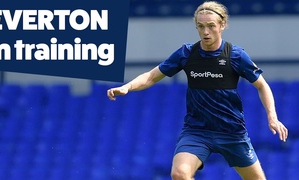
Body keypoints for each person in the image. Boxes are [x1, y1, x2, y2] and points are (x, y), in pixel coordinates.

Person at [107, 1, 288, 180]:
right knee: (179, 174)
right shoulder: (186, 53)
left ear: (222, 25)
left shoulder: (236, 55)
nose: (205, 32)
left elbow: (262, 85)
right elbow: (151, 77)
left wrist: (272, 117)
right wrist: (127, 87)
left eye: (211, 26)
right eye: (201, 26)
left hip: (231, 132)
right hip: (197, 131)